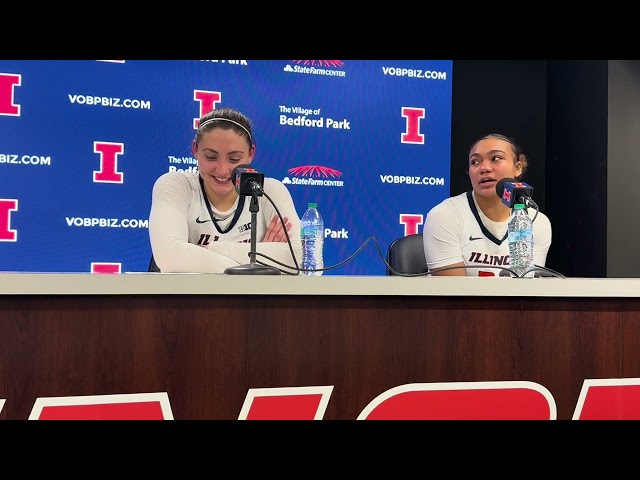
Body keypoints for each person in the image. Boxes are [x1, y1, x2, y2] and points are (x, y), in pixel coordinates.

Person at [149, 107, 302, 274]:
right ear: (195, 150)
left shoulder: (269, 191)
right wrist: (259, 266)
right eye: (211, 157)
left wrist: (212, 250)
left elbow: (298, 259)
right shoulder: (176, 185)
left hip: (253, 300)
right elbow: (169, 256)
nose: (222, 170)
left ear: (251, 154)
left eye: (234, 159)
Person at [422, 133, 552, 277]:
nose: (484, 168)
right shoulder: (445, 215)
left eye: (496, 158)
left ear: (518, 168)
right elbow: (452, 293)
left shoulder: (537, 222)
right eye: (475, 162)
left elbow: (529, 287)